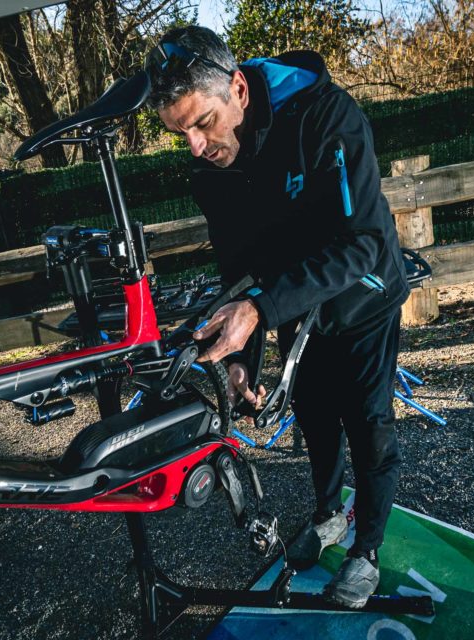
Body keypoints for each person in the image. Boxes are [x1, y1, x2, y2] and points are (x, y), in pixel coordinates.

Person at [144, 26, 409, 609]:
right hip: (294, 304)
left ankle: (367, 548)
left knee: (368, 423)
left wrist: (261, 308)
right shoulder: (210, 167)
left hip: (363, 298)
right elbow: (237, 269)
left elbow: (364, 242)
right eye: (179, 132)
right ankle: (328, 513)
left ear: (238, 89)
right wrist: (240, 359)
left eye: (203, 122)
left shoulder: (326, 115)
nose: (195, 146)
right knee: (314, 415)